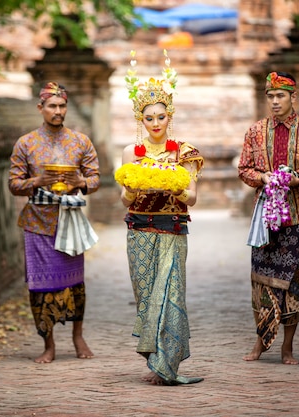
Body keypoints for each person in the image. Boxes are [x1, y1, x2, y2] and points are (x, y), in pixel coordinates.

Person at [117, 50, 204, 385]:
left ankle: (167, 365)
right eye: (149, 117)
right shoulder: (130, 153)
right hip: (138, 230)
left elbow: (192, 198)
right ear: (141, 119)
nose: (155, 123)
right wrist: (135, 184)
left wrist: (174, 181)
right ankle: (154, 359)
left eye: (161, 116)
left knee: (170, 296)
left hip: (171, 231)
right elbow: (124, 199)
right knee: (146, 296)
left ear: (170, 116)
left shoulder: (185, 152)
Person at [237, 71, 299, 365]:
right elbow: (244, 169)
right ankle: (260, 343)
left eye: (280, 96)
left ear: (293, 97)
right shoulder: (254, 132)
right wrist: (263, 177)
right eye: (271, 96)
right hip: (264, 218)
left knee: (291, 282)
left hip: (297, 218)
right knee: (260, 280)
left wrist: (297, 183)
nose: (275, 102)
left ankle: (287, 348)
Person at [8, 82, 100, 363]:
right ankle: (48, 344)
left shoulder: (81, 141)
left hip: (70, 220)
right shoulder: (26, 143)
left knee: (75, 283)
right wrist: (37, 181)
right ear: (41, 108)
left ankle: (77, 336)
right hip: (37, 223)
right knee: (40, 284)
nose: (57, 111)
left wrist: (81, 182)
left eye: (62, 106)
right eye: (52, 106)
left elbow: (96, 178)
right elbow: (14, 184)